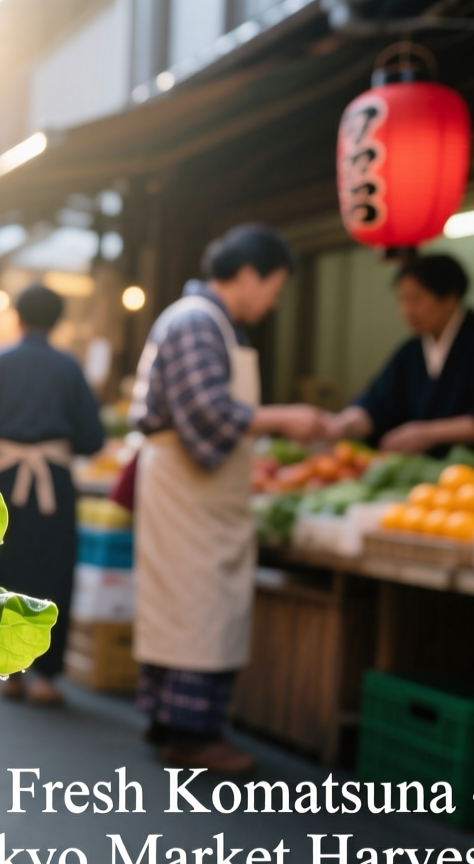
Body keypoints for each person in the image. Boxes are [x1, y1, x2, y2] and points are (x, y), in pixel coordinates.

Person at [128, 223, 323, 773]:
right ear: (249, 274)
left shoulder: (208, 323)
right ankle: (191, 734)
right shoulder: (196, 321)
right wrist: (284, 418)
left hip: (196, 493)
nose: (274, 302)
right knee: (198, 608)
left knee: (189, 607)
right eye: (275, 288)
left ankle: (172, 723)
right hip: (188, 492)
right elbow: (209, 413)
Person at [0, 285, 104, 707]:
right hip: (54, 482)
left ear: (17, 317)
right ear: (58, 321)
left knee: (5, 570)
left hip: (4, 480)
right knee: (53, 573)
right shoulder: (69, 366)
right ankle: (45, 677)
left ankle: (10, 672)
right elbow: (92, 437)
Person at [321, 254, 474, 455]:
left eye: (416, 300)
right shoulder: (411, 351)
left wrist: (429, 434)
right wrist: (341, 424)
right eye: (402, 300)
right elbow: (378, 402)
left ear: (450, 299)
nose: (407, 311)